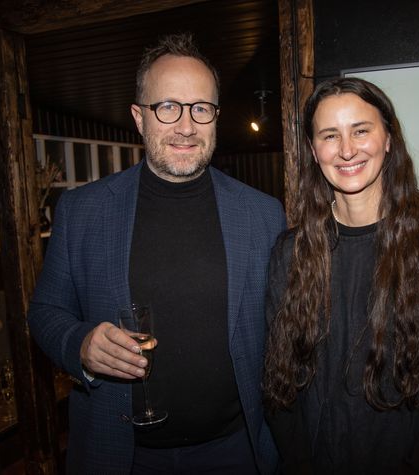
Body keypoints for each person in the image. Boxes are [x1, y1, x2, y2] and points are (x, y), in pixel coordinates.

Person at [28, 32, 285, 474]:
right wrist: (81, 345)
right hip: (121, 455)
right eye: (167, 107)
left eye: (201, 109)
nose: (186, 126)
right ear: (138, 117)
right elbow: (46, 311)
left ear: (216, 117)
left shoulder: (263, 214)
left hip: (235, 452)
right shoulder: (83, 210)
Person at [263, 77, 419, 474]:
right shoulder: (291, 253)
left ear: (388, 138)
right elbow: (278, 385)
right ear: (312, 149)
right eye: (329, 135)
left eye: (361, 130)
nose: (347, 150)